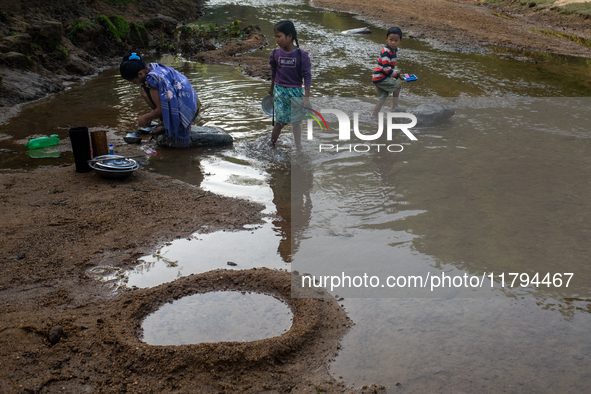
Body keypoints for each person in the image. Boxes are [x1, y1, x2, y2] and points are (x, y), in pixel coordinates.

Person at [119, 53, 199, 147]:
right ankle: (166, 121)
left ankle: (171, 124)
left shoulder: (152, 80)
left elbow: (160, 109)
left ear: (140, 73)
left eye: (133, 81)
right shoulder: (153, 67)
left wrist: (146, 117)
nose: (134, 83)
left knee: (145, 89)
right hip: (194, 104)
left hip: (186, 111)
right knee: (145, 89)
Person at [268, 20, 312, 147]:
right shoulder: (275, 54)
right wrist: (271, 89)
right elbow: (274, 72)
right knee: (279, 122)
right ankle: (272, 146)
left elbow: (307, 76)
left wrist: (306, 96)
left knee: (296, 122)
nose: (277, 40)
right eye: (276, 37)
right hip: (280, 91)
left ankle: (298, 148)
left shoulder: (301, 55)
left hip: (295, 92)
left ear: (289, 36)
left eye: (279, 36)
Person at [372, 27, 404, 118]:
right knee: (397, 85)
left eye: (396, 40)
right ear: (386, 39)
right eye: (391, 40)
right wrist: (398, 75)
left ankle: (374, 116)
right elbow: (386, 69)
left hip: (378, 77)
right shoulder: (386, 52)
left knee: (382, 98)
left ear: (400, 41)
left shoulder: (393, 51)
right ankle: (394, 107)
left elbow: (387, 69)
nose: (393, 42)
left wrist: (395, 75)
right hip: (380, 77)